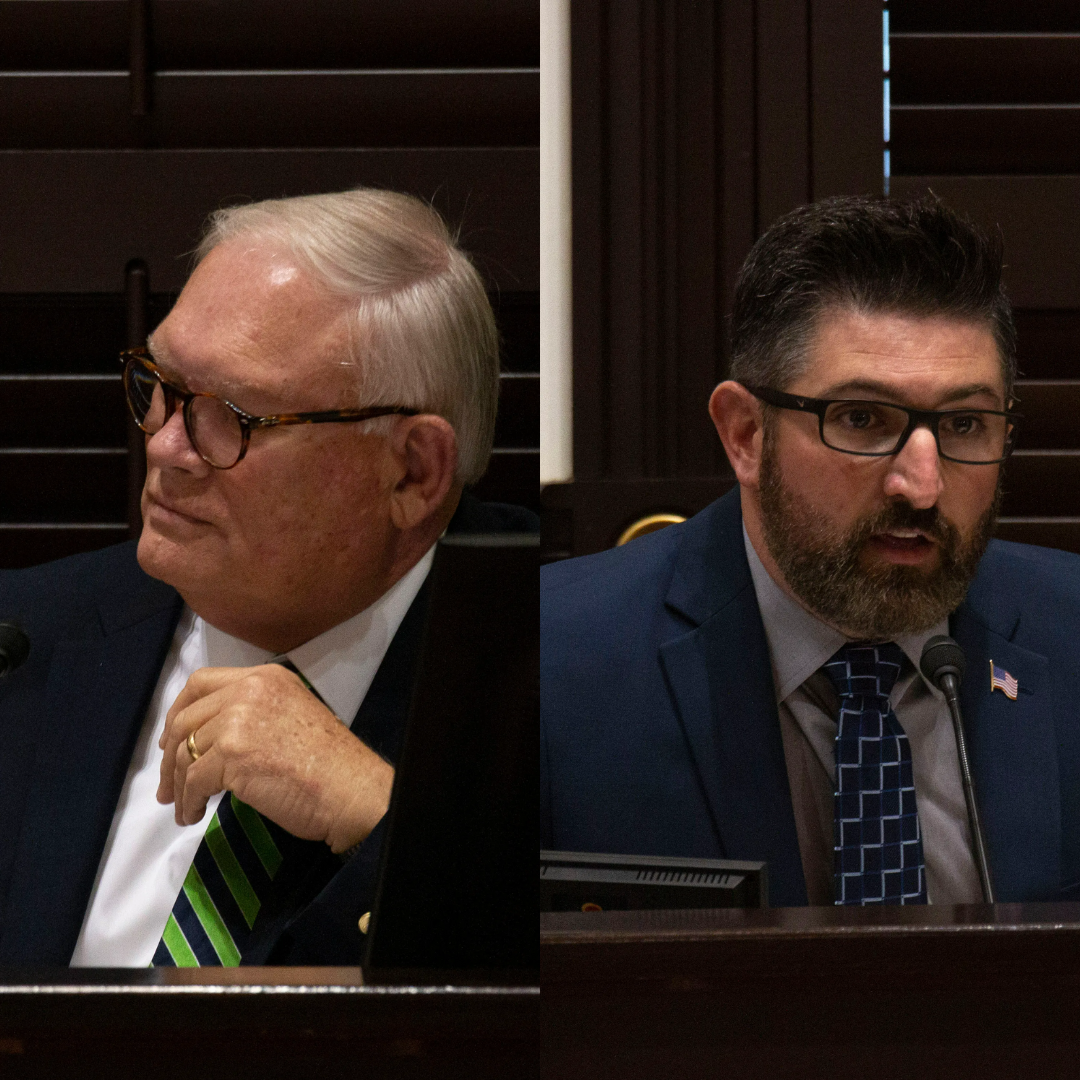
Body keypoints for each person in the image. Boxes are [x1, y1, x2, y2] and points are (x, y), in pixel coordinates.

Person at [0, 187, 535, 965]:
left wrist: (379, 809)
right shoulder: (23, 643)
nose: (165, 447)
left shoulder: (554, 668)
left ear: (414, 473)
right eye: (162, 387)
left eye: (233, 415)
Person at [541, 196, 1080, 907]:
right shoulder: (556, 659)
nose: (922, 485)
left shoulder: (1067, 631)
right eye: (860, 419)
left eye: (965, 425)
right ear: (744, 434)